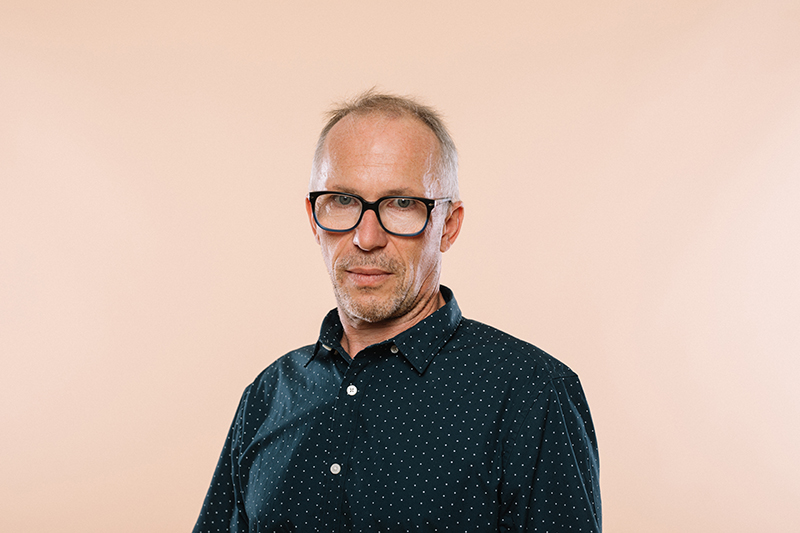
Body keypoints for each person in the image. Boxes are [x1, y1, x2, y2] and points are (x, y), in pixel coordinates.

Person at [193, 91, 601, 533]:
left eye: (402, 204)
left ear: (449, 224)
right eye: (343, 201)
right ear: (314, 218)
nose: (366, 238)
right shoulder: (267, 396)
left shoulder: (531, 393)